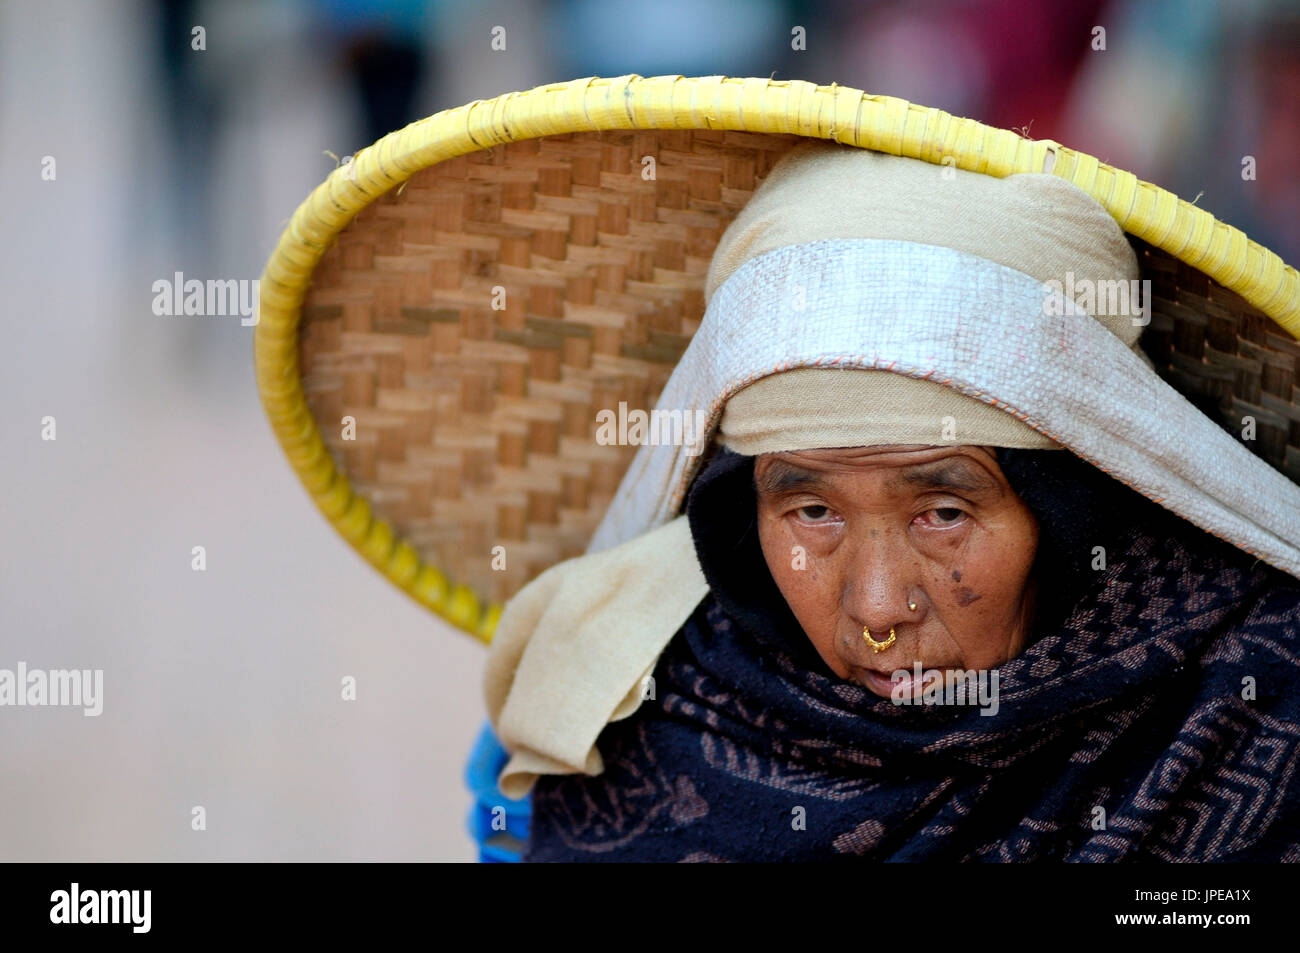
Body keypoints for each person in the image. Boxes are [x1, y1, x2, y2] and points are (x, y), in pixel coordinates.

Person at [483, 141, 1300, 862]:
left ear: (1068, 512)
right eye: (813, 513)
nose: (877, 611)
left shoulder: (1243, 710)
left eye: (943, 513)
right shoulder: (599, 695)